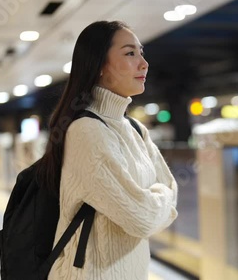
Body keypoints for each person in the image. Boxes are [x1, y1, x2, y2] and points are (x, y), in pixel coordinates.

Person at [37, 20, 178, 279]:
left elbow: (171, 190)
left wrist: (152, 199)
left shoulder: (136, 129)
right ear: (99, 66)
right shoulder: (86, 132)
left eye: (141, 52)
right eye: (130, 53)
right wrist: (160, 197)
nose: (143, 63)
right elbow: (142, 218)